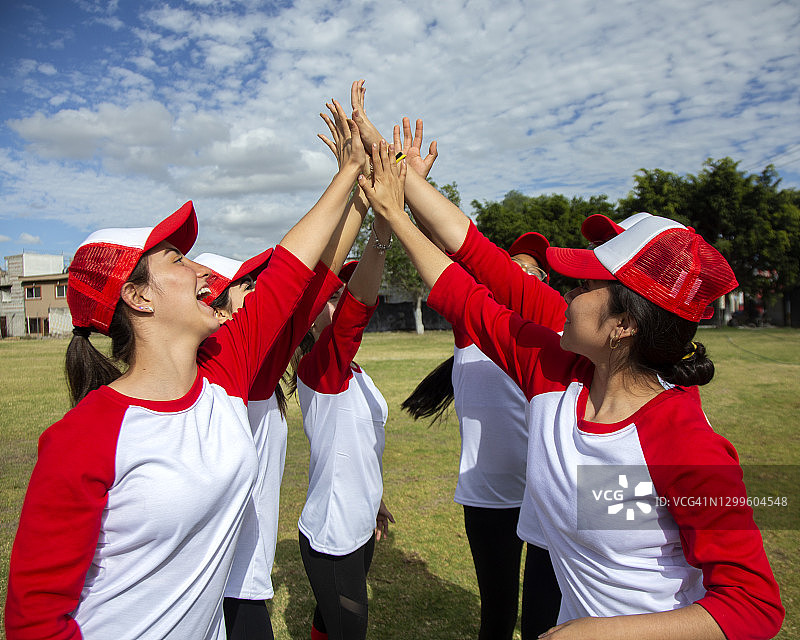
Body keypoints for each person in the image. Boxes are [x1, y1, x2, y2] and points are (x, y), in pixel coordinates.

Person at [358, 139, 784, 639]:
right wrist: (398, 201)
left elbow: (754, 605)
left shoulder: (685, 444)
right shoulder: (554, 373)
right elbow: (468, 287)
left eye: (585, 284)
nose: (566, 290)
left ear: (623, 323)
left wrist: (599, 631)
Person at [4, 107, 368, 639]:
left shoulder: (223, 377)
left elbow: (298, 275)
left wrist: (355, 181)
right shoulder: (84, 437)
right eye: (176, 260)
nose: (201, 270)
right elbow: (35, 618)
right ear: (137, 296)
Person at [402, 230, 563, 639]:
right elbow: (443, 259)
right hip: (489, 493)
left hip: (546, 496)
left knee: (544, 616)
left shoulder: (555, 333)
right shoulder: (472, 326)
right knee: (497, 608)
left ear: (545, 282)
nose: (526, 275)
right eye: (516, 268)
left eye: (536, 271)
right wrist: (408, 194)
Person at [291, 223, 394, 640]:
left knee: (327, 620)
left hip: (360, 523)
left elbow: (362, 446)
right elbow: (352, 319)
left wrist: (377, 500)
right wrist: (381, 231)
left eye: (345, 295)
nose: (343, 303)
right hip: (332, 534)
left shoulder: (356, 372)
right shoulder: (320, 368)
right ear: (311, 312)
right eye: (333, 297)